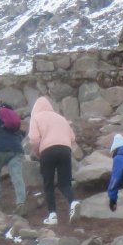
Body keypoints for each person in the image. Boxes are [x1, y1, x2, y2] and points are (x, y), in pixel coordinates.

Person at [27, 96, 80, 227]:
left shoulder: (37, 118)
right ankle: (73, 202)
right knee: (64, 183)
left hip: (48, 151)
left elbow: (33, 139)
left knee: (48, 184)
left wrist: (38, 153)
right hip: (65, 149)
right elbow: (72, 137)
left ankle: (52, 215)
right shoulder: (60, 118)